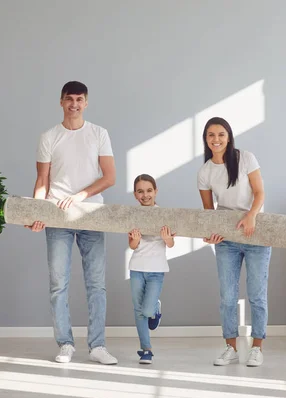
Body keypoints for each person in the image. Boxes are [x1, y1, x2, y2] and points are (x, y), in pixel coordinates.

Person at [27, 81, 118, 365]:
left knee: (96, 284)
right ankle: (65, 343)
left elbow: (109, 177)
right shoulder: (49, 136)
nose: (74, 104)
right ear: (61, 102)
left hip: (91, 214)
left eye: (79, 99)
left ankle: (98, 346)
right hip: (57, 215)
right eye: (69, 99)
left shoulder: (99, 134)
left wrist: (80, 195)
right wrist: (37, 211)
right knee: (58, 283)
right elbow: (43, 179)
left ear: (86, 103)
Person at [197, 116, 272, 367]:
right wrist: (211, 233)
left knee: (256, 294)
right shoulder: (205, 171)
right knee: (228, 296)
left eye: (220, 134)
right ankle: (230, 347)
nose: (216, 139)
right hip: (227, 240)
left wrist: (251, 216)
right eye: (211, 135)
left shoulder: (246, 158)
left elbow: (260, 192)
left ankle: (257, 347)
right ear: (206, 140)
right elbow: (209, 211)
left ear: (228, 137)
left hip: (256, 234)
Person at [127, 174, 175, 364]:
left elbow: (171, 244)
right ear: (135, 195)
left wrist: (166, 238)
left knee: (147, 309)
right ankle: (146, 349)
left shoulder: (164, 214)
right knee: (138, 311)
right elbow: (131, 245)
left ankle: (155, 307)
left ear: (155, 191)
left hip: (156, 270)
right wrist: (136, 240)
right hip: (136, 268)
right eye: (140, 191)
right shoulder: (132, 215)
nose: (145, 195)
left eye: (149, 190)